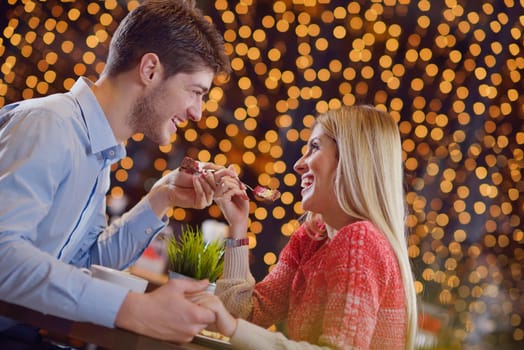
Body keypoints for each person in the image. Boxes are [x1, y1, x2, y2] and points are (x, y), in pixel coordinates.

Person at [0, 0, 232, 347]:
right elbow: (2, 256)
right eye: (195, 92)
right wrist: (135, 309)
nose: (197, 113)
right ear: (150, 69)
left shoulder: (97, 151)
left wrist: (161, 197)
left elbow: (84, 263)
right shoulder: (51, 125)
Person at [193, 105, 418, 349]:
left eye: (315, 147)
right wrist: (238, 226)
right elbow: (245, 315)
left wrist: (232, 327)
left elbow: (233, 325)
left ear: (351, 159)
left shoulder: (360, 240)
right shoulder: (312, 238)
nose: (299, 165)